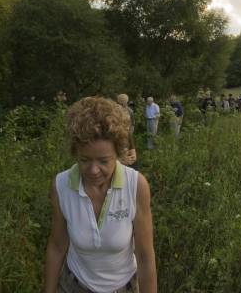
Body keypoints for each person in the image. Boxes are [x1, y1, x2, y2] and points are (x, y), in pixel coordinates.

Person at [42, 97, 157, 293]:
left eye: (104, 161)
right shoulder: (61, 186)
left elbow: (145, 257)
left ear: (119, 153)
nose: (94, 170)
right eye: (85, 160)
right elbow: (57, 246)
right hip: (74, 286)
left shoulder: (136, 186)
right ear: (75, 153)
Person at [115, 94, 137, 166]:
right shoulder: (115, 110)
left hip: (127, 134)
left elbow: (133, 123)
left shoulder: (130, 111)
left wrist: (130, 132)